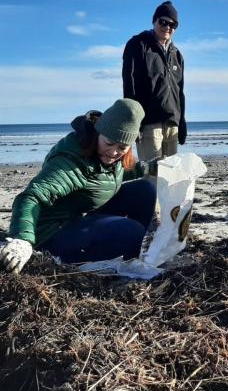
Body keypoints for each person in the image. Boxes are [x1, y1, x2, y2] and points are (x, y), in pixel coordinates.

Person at [0, 99, 157, 274]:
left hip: (81, 214)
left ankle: (130, 254)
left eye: (122, 147)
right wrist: (22, 240)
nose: (114, 152)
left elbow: (110, 174)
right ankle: (85, 261)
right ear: (99, 132)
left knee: (144, 190)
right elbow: (31, 197)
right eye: (109, 143)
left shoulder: (108, 156)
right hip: (52, 231)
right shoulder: (70, 162)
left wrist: (148, 168)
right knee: (132, 230)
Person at [122, 0, 187, 172]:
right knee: (151, 177)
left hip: (172, 124)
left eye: (173, 24)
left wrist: (182, 123)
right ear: (155, 21)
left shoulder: (177, 54)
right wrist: (133, 123)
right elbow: (129, 86)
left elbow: (180, 91)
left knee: (171, 177)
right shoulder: (138, 45)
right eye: (163, 22)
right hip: (149, 124)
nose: (168, 27)